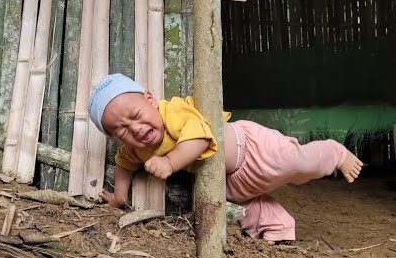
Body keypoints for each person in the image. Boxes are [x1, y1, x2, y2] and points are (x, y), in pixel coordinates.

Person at [87, 73, 364, 243]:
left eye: (136, 116)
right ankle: (279, 229)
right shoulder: (133, 148)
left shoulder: (172, 112)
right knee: (249, 207)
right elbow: (124, 165)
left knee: (296, 163)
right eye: (121, 130)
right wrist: (119, 197)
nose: (135, 128)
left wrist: (169, 162)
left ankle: (333, 152)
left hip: (252, 148)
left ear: (150, 100)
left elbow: (199, 136)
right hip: (228, 178)